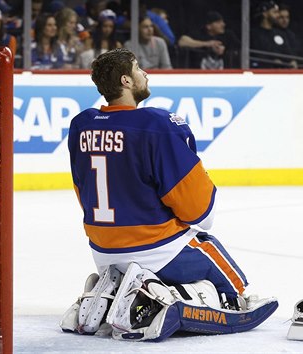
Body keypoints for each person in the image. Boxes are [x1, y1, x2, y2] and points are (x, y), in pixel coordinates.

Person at [60, 48, 277, 341]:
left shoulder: (82, 125)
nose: (145, 73)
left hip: (101, 250)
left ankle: (114, 288)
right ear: (126, 80)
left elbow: (81, 188)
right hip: (154, 250)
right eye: (138, 69)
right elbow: (201, 213)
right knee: (206, 246)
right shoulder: (156, 126)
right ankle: (229, 298)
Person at [250, 0, 297, 68]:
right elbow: (257, 55)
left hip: (282, 72)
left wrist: (292, 60)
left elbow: (288, 53)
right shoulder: (255, 34)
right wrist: (273, 61)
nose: (278, 15)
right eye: (275, 12)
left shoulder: (280, 34)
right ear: (265, 14)